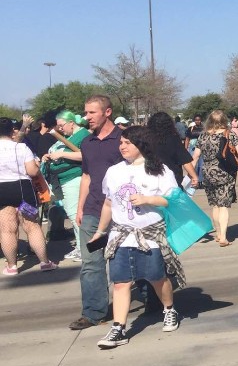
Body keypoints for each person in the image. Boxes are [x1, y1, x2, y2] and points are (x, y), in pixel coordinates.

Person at [89, 126, 183, 349]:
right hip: (121, 235)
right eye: (121, 143)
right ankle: (119, 328)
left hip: (150, 234)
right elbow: (109, 203)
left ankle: (169, 309)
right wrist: (100, 231)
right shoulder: (114, 172)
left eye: (128, 143)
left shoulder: (160, 171)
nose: (122, 146)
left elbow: (173, 200)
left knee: (156, 277)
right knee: (121, 283)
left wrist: (147, 199)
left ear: (142, 145)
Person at [68, 95, 125, 330]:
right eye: (85, 113)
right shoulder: (87, 143)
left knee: (128, 259)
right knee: (91, 263)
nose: (86, 118)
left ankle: (153, 300)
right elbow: (87, 176)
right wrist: (80, 207)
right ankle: (93, 312)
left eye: (91, 113)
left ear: (107, 112)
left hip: (122, 211)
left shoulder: (124, 139)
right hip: (93, 211)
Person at [0, 117, 58, 276]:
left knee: (7, 229)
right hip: (23, 188)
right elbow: (32, 171)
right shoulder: (21, 148)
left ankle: (12, 266)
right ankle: (45, 262)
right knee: (32, 227)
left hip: (1, 189)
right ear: (13, 131)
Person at [193, 110, 238, 246]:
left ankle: (218, 234)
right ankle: (223, 237)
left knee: (215, 205)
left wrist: (192, 175)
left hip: (207, 173)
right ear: (224, 120)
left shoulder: (203, 136)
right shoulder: (230, 135)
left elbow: (195, 156)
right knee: (223, 205)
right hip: (225, 172)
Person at [42, 111, 91, 262]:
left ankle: (84, 249)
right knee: (73, 214)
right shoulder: (70, 137)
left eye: (62, 125)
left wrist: (62, 155)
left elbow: (86, 155)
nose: (60, 129)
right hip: (65, 180)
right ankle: (81, 247)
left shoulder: (83, 135)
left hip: (74, 180)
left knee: (75, 214)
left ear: (71, 122)